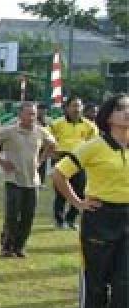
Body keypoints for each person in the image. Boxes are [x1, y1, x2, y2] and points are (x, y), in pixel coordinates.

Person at [52, 93, 128, 308]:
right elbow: (59, 173)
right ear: (109, 116)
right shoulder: (94, 146)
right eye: (122, 109)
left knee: (124, 287)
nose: (128, 113)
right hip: (100, 218)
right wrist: (76, 201)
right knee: (96, 285)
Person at [0, 103, 56, 258]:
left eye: (33, 114)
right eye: (28, 114)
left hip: (32, 180)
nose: (32, 117)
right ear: (20, 115)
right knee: (12, 215)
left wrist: (40, 161)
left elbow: (53, 144)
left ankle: (20, 246)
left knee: (28, 215)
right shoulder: (10, 131)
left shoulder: (40, 131)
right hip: (14, 179)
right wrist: (1, 161)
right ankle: (7, 247)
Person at [50, 96, 98, 229]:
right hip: (62, 158)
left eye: (79, 106)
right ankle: (59, 221)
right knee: (61, 192)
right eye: (73, 105)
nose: (77, 109)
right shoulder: (57, 123)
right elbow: (47, 139)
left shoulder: (89, 125)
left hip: (80, 160)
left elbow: (93, 143)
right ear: (66, 107)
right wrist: (52, 152)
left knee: (80, 191)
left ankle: (71, 219)